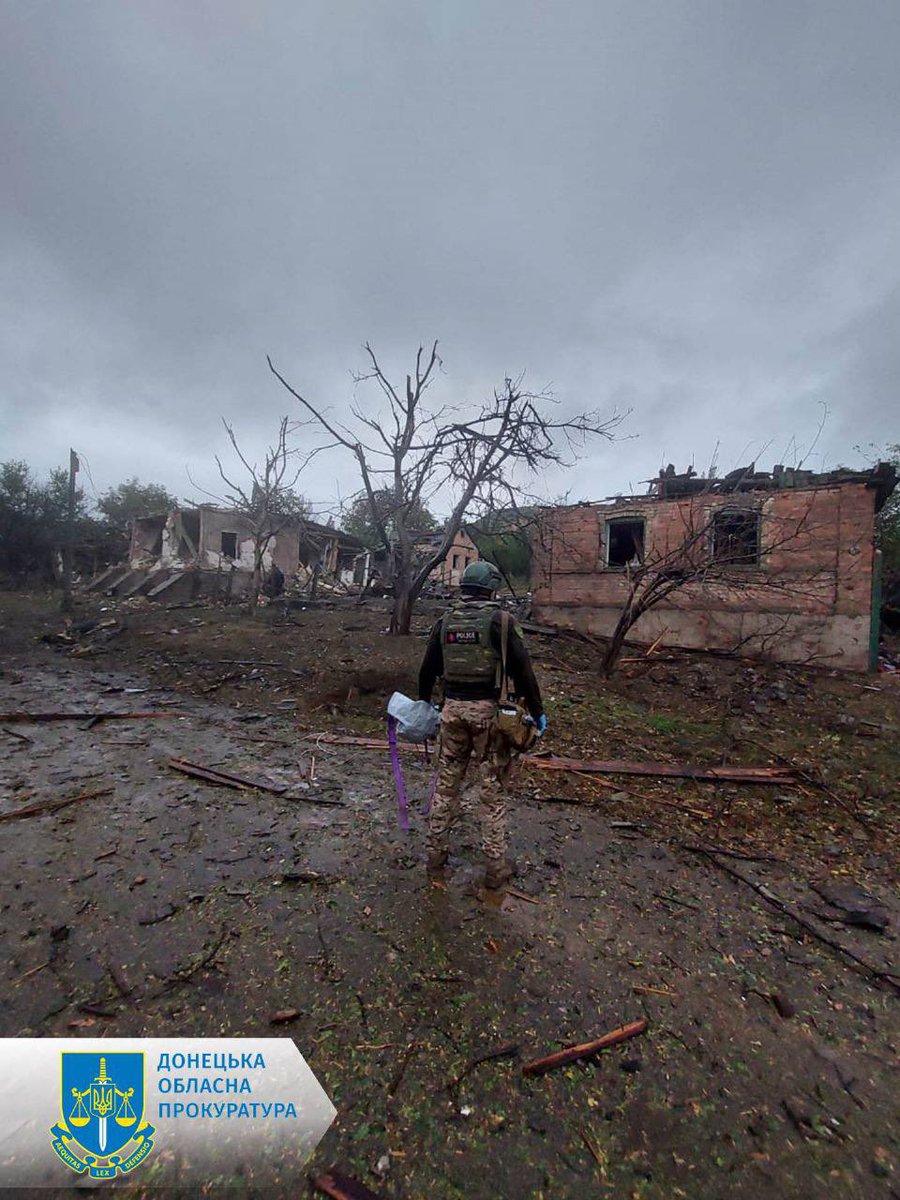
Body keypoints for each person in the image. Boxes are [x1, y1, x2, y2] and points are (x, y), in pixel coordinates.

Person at [418, 560, 547, 889]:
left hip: (451, 712)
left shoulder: (445, 621)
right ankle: (495, 869)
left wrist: (427, 704)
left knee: (446, 790)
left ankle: (435, 860)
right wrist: (537, 711)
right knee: (492, 794)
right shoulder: (501, 621)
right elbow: (524, 671)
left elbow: (427, 670)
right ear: (492, 589)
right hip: (489, 716)